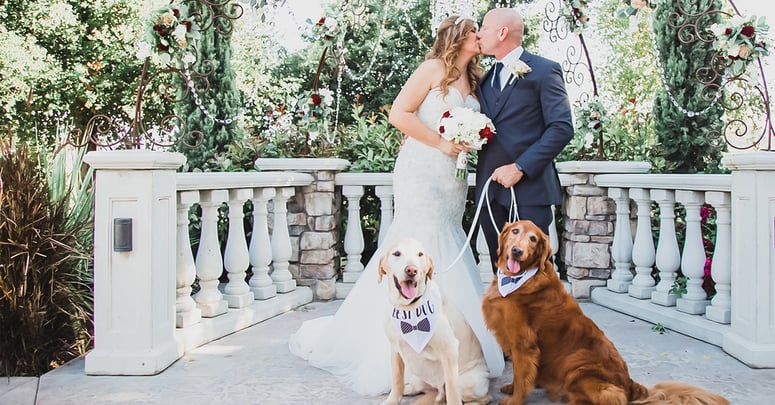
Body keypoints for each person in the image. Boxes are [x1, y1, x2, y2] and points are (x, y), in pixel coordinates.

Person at [288, 15, 505, 396]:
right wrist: (439, 143)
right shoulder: (432, 68)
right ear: (458, 35)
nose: (479, 36)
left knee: (448, 238)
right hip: (422, 170)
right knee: (417, 241)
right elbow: (398, 113)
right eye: (474, 30)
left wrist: (471, 140)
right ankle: (401, 351)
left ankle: (453, 347)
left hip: (452, 177)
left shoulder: (476, 78)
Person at [475, 8, 574, 273]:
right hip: (490, 191)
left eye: (484, 28)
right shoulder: (483, 81)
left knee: (535, 273)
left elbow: (562, 128)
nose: (479, 33)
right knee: (504, 270)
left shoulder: (544, 70)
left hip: (530, 189)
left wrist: (520, 167)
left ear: (502, 32)